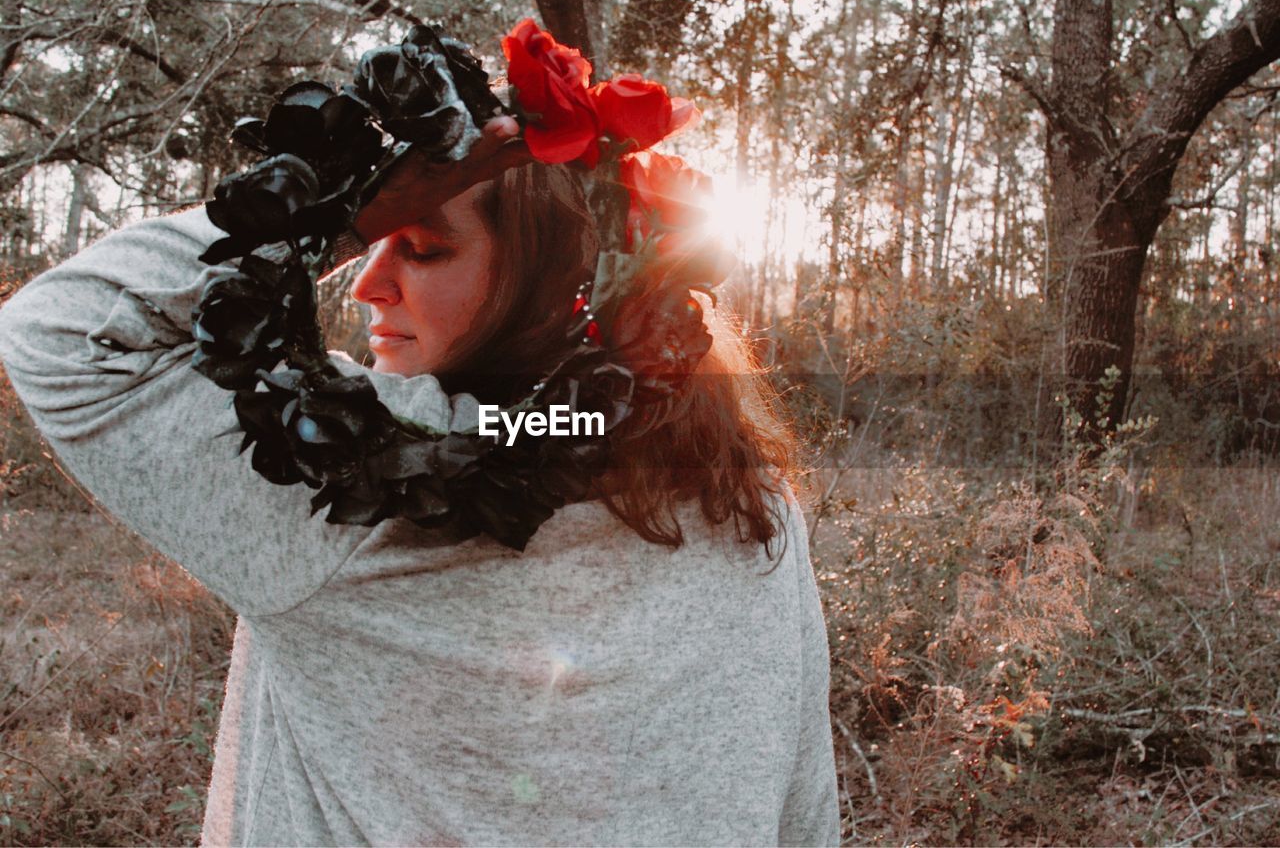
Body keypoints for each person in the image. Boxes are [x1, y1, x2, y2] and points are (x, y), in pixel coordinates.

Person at [0, 112, 839, 845]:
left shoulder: (341, 482)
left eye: (423, 245)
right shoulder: (753, 505)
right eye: (378, 238)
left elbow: (62, 335)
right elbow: (804, 813)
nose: (366, 281)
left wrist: (353, 201)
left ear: (559, 287)